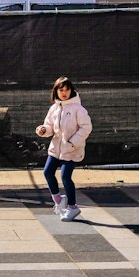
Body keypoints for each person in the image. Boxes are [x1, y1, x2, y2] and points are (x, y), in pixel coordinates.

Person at [35, 75, 91, 221]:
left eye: (67, 90)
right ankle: (59, 201)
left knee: (65, 176)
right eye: (61, 90)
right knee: (47, 172)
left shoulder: (78, 109)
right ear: (56, 92)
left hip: (72, 150)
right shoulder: (54, 108)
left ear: (71, 90)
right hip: (55, 149)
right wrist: (43, 129)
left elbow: (86, 127)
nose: (64, 93)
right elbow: (49, 127)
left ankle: (72, 207)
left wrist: (73, 142)